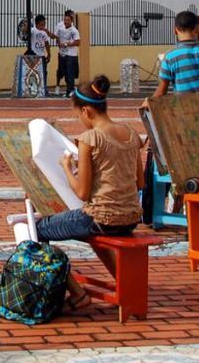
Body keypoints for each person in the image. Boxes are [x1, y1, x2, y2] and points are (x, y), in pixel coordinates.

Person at [34, 74, 144, 304]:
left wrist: (66, 168)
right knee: (92, 233)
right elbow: (140, 182)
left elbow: (82, 193)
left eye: (77, 115)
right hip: (131, 216)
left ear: (86, 111)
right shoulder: (131, 133)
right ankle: (124, 282)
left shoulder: (89, 138)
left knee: (34, 231)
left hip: (101, 219)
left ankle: (77, 292)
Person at [53, 10, 81, 98]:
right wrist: (59, 44)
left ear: (71, 21)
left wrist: (65, 44)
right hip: (63, 54)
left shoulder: (74, 30)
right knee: (64, 72)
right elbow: (56, 36)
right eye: (65, 20)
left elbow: (78, 42)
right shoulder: (61, 28)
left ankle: (70, 90)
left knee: (70, 73)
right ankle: (69, 90)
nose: (66, 22)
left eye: (68, 20)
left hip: (71, 55)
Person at [30, 14, 51, 95]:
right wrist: (29, 19)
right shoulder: (33, 30)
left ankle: (44, 89)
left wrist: (49, 54)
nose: (44, 25)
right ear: (37, 23)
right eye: (42, 24)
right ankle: (33, 89)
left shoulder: (44, 32)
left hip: (42, 56)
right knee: (33, 73)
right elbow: (25, 31)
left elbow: (47, 43)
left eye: (44, 24)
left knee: (44, 73)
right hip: (34, 55)